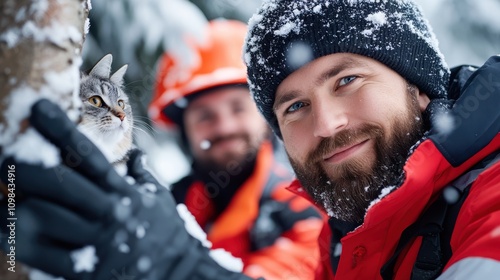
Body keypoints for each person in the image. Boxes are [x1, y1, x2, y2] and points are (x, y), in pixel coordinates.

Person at [1, 1, 499, 280]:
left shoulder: (304, 220)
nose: (326, 124)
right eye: (295, 106)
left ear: (418, 83)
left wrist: (180, 270)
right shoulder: (350, 233)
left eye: (347, 79)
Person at [148, 19, 323, 280]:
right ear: (186, 132)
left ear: (266, 118)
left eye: (238, 108)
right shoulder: (166, 207)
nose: (224, 127)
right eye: (204, 116)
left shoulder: (306, 204)